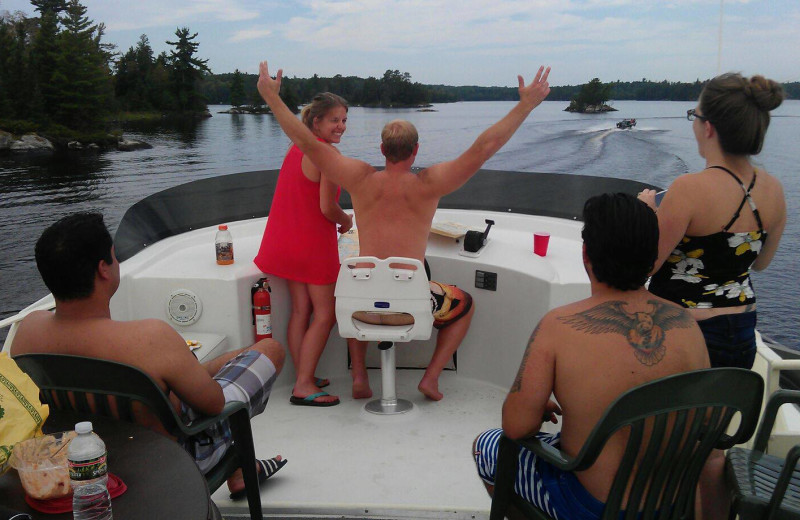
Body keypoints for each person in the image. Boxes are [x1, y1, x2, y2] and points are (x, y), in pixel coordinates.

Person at [256, 59, 551, 401]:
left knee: (357, 285)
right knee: (465, 303)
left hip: (362, 311)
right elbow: (484, 148)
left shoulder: (358, 178)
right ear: (416, 151)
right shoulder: (430, 184)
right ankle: (430, 378)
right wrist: (526, 104)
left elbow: (307, 143)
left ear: (382, 150)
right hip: (411, 308)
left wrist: (272, 99)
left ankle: (360, 377)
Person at [10, 212, 287, 500]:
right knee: (270, 351)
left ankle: (240, 468)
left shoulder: (29, 331)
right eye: (114, 258)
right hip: (166, 466)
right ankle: (240, 463)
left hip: (83, 465)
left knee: (176, 382)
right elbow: (215, 404)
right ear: (104, 269)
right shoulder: (150, 339)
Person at [473, 193, 715, 520]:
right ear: (653, 256)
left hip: (590, 507)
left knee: (488, 446)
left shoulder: (558, 326)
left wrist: (535, 407)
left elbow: (515, 427)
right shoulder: (687, 326)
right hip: (671, 503)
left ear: (586, 254)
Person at [639, 73, 786, 369]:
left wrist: (647, 213)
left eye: (694, 115)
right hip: (742, 330)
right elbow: (760, 263)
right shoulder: (774, 189)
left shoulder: (688, 188)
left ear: (708, 127)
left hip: (684, 333)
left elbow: (646, 264)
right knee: (717, 414)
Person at [254, 92, 353, 407]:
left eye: (344, 120)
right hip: (311, 245)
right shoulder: (326, 155)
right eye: (334, 120)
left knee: (301, 310)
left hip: (284, 243)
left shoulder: (294, 149)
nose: (340, 126)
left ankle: (303, 375)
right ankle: (304, 385)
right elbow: (327, 208)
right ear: (316, 121)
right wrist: (347, 221)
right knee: (325, 314)